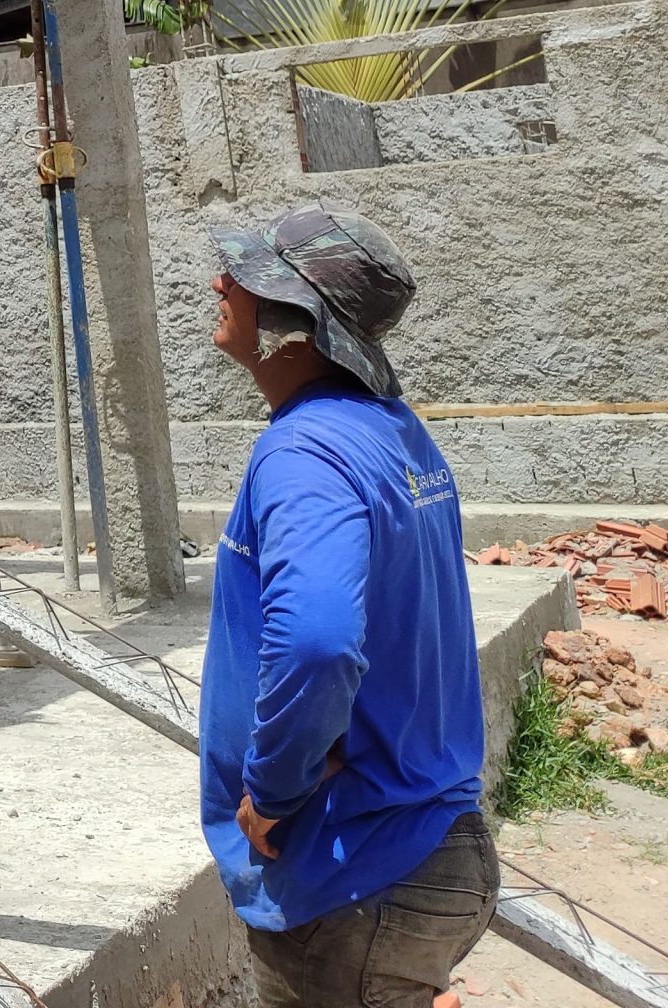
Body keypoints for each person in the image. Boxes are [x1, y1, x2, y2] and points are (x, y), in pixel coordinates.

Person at [200, 202, 497, 1008]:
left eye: (246, 278)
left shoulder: (305, 451)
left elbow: (319, 642)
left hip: (357, 871)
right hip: (432, 843)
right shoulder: (393, 433)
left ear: (295, 323)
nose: (220, 282)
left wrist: (275, 788)